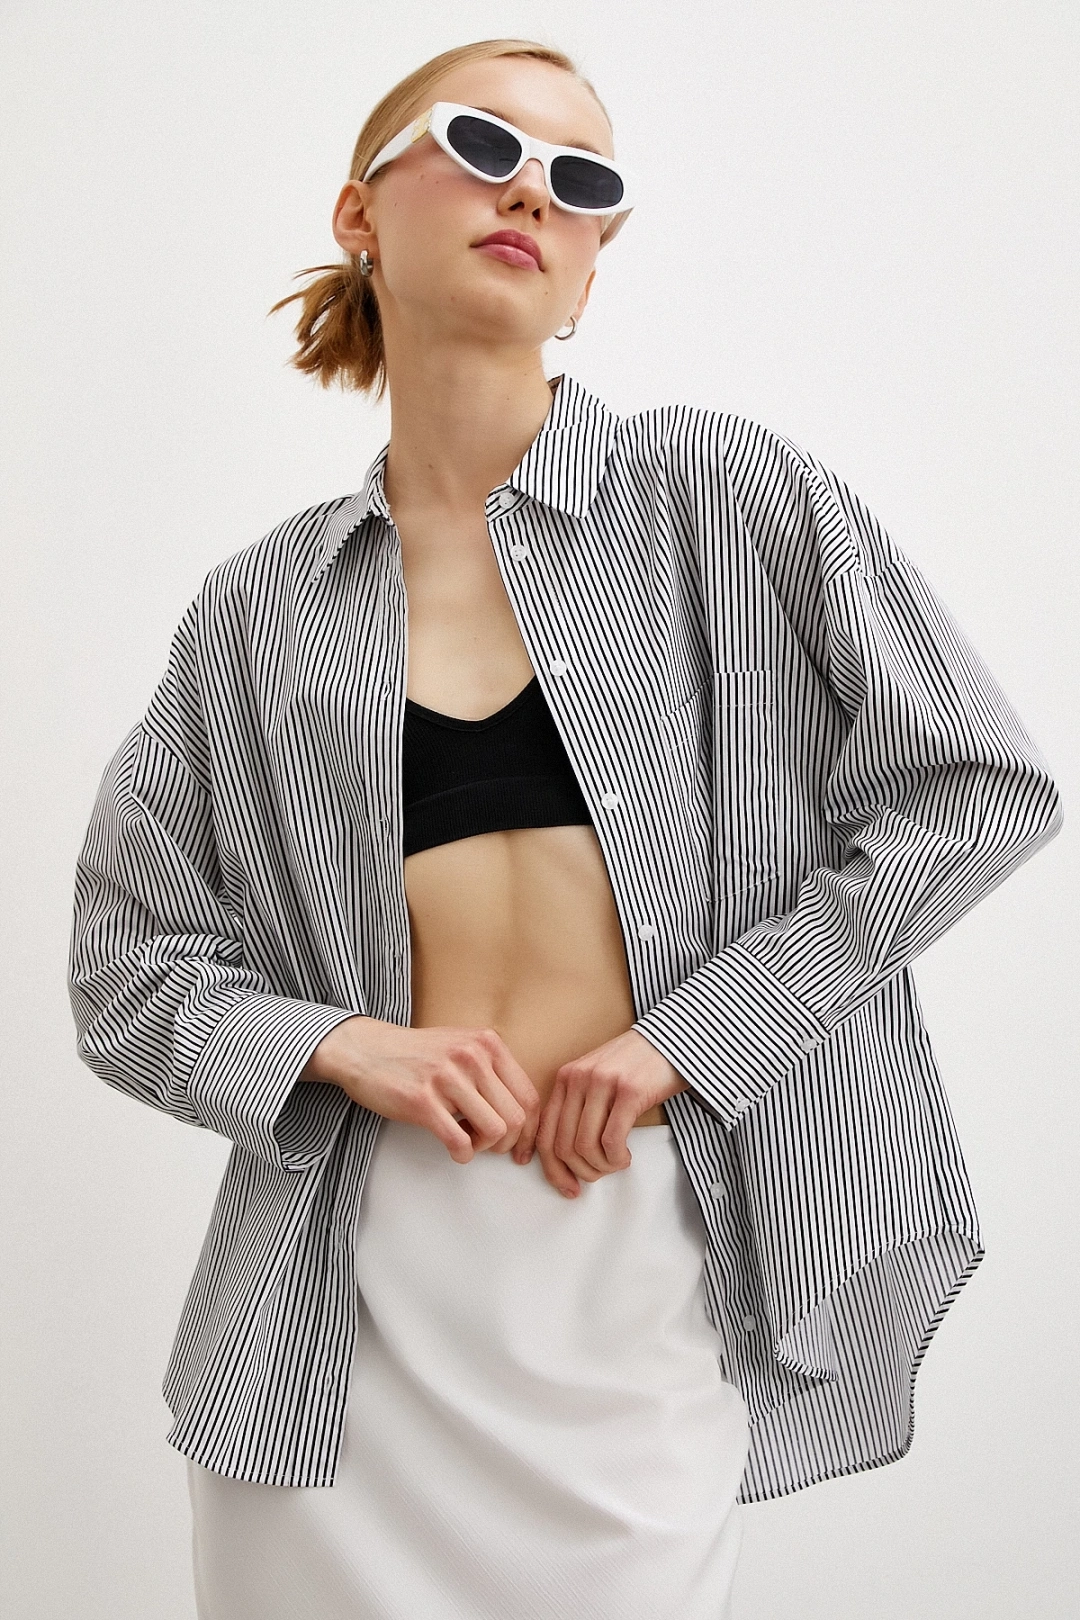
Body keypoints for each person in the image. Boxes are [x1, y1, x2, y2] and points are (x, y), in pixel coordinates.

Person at [67, 35, 1063, 1620]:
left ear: (595, 262)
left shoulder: (723, 496)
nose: (531, 189)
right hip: (341, 1320)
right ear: (359, 210)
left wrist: (693, 1039)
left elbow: (979, 787)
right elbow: (127, 972)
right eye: (483, 143)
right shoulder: (255, 612)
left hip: (639, 1272)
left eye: (579, 177)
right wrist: (346, 1045)